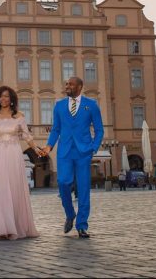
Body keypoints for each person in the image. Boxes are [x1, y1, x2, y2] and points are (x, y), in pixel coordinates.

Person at [41, 76, 104, 239]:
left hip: (84, 152)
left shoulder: (91, 105)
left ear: (80, 86)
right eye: (66, 84)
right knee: (63, 183)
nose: (67, 86)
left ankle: (82, 225)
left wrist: (93, 147)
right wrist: (49, 146)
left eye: (70, 84)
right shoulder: (59, 106)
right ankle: (70, 213)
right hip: (65, 151)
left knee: (83, 189)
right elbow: (55, 129)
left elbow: (99, 130)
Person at [0, 86, 42, 240]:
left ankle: (14, 227)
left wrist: (36, 148)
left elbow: (27, 136)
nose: (3, 99)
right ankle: (1, 227)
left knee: (13, 190)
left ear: (12, 99)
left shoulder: (19, 116)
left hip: (13, 155)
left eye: (6, 96)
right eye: (1, 96)